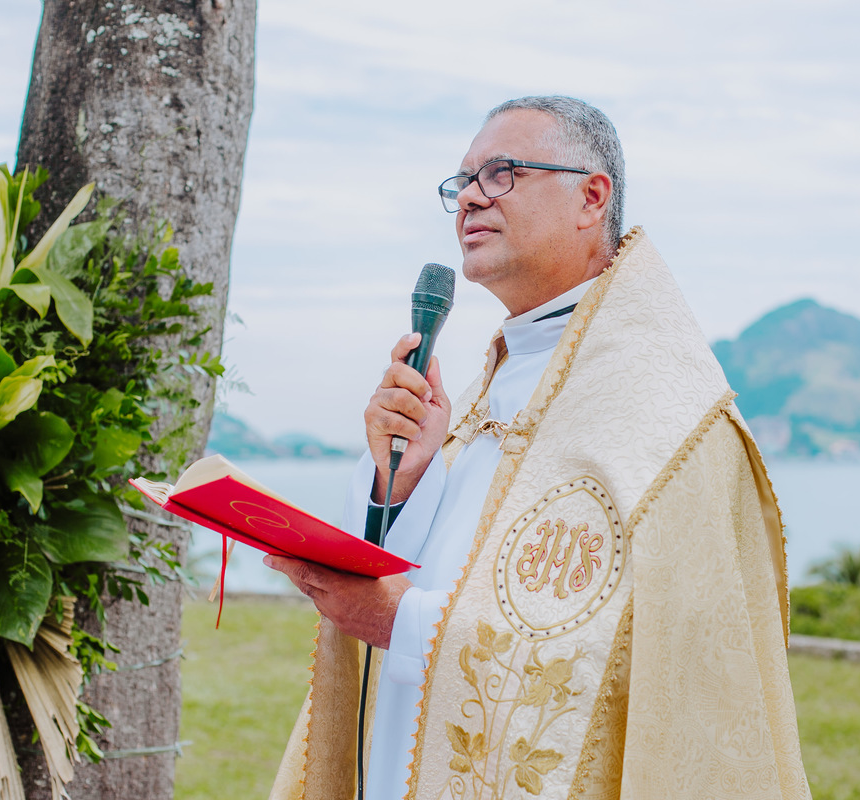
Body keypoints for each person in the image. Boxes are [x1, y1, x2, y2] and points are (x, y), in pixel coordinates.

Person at [266, 96, 811, 800]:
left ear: (591, 197)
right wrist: (407, 479)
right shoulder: (511, 369)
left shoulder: (666, 411)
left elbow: (643, 658)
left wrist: (402, 622)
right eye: (461, 182)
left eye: (501, 173)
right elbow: (450, 561)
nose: (468, 198)